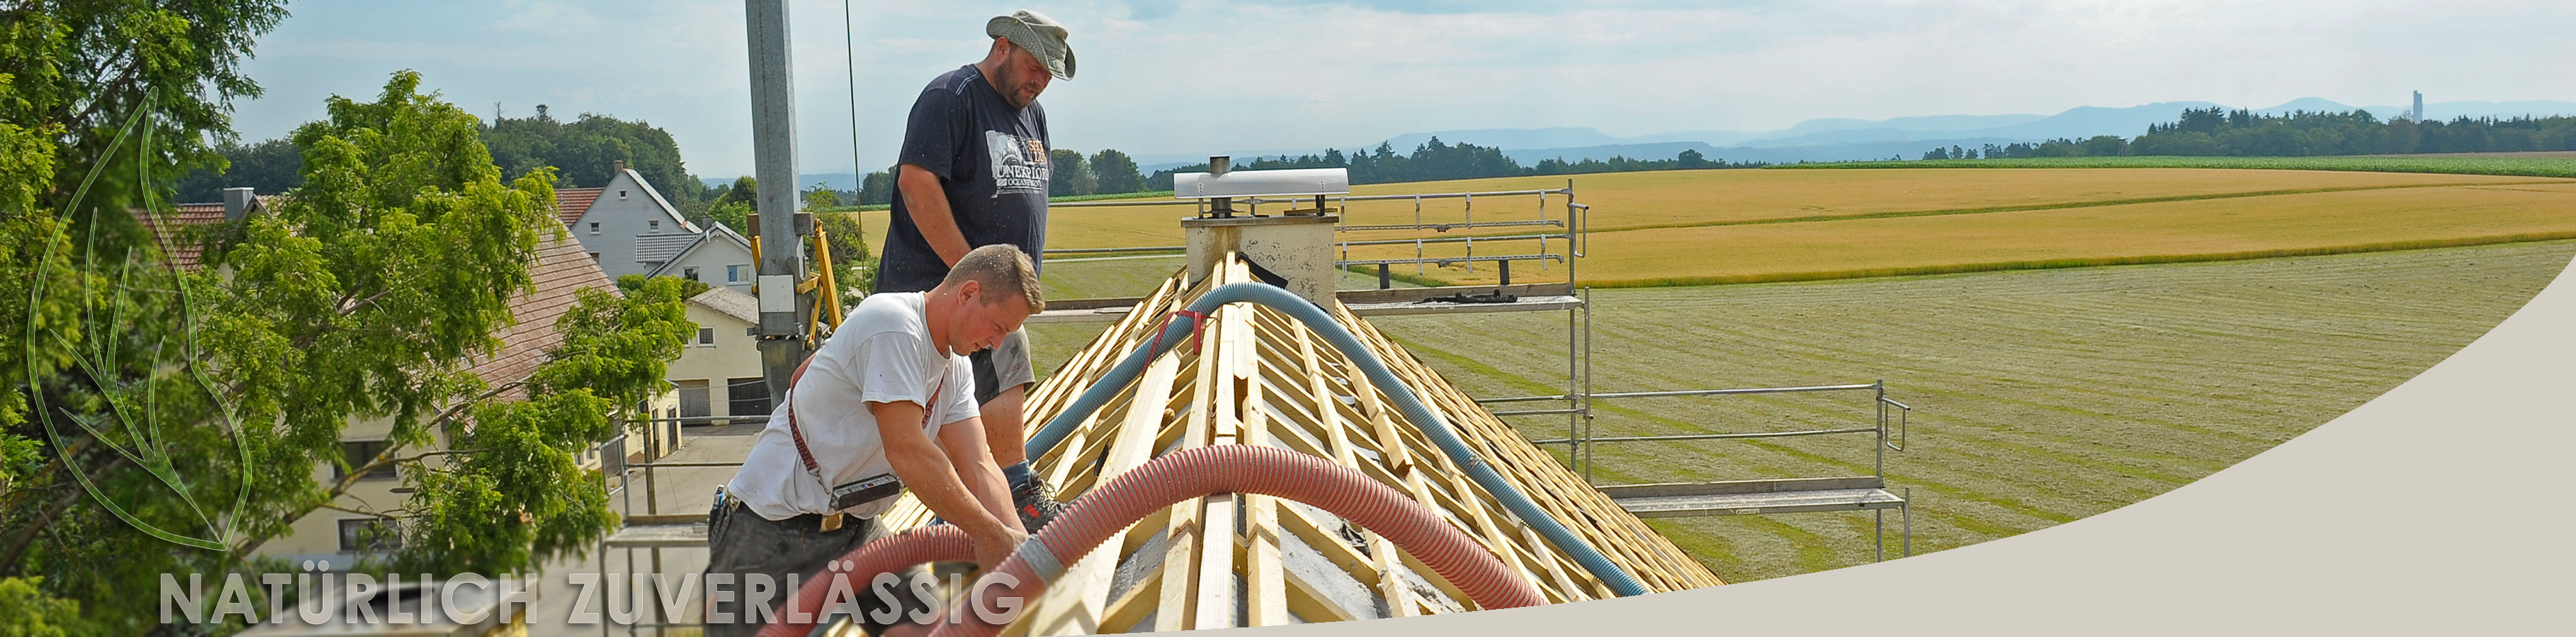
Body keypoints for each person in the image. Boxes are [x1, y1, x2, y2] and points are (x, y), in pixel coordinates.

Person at [703, 245, 1046, 637]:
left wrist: (1017, 541)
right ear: (968, 293)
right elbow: (909, 452)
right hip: (771, 527)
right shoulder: (894, 325)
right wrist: (989, 534)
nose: (998, 344)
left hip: (854, 529)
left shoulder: (956, 368)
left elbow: (978, 463)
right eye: (999, 326)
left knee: (929, 630)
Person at [873, 9, 1075, 532]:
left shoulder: (1033, 116)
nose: (1040, 82)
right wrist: (973, 275)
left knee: (996, 376)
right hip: (943, 290)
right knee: (940, 405)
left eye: (1049, 76)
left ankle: (996, 499)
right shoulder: (952, 98)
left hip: (993, 295)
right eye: (1034, 67)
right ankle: (994, 505)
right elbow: (917, 184)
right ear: (1003, 47)